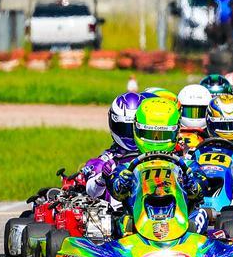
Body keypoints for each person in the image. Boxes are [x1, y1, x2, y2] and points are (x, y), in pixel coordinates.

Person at [110, 96, 209, 232]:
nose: (156, 140)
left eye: (162, 135)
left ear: (176, 132)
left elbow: (202, 187)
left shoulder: (188, 166)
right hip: (135, 227)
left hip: (183, 225)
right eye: (149, 134)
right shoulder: (127, 168)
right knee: (119, 222)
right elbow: (114, 188)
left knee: (200, 214)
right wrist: (121, 185)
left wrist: (192, 186)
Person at [81, 92, 143, 202]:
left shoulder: (155, 154)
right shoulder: (107, 160)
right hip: (119, 210)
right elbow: (92, 192)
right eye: (125, 129)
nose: (130, 135)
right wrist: (102, 178)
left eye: (135, 129)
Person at [176, 83, 213, 150]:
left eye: (200, 112)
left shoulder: (212, 133)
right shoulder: (173, 134)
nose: (194, 118)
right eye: (189, 112)